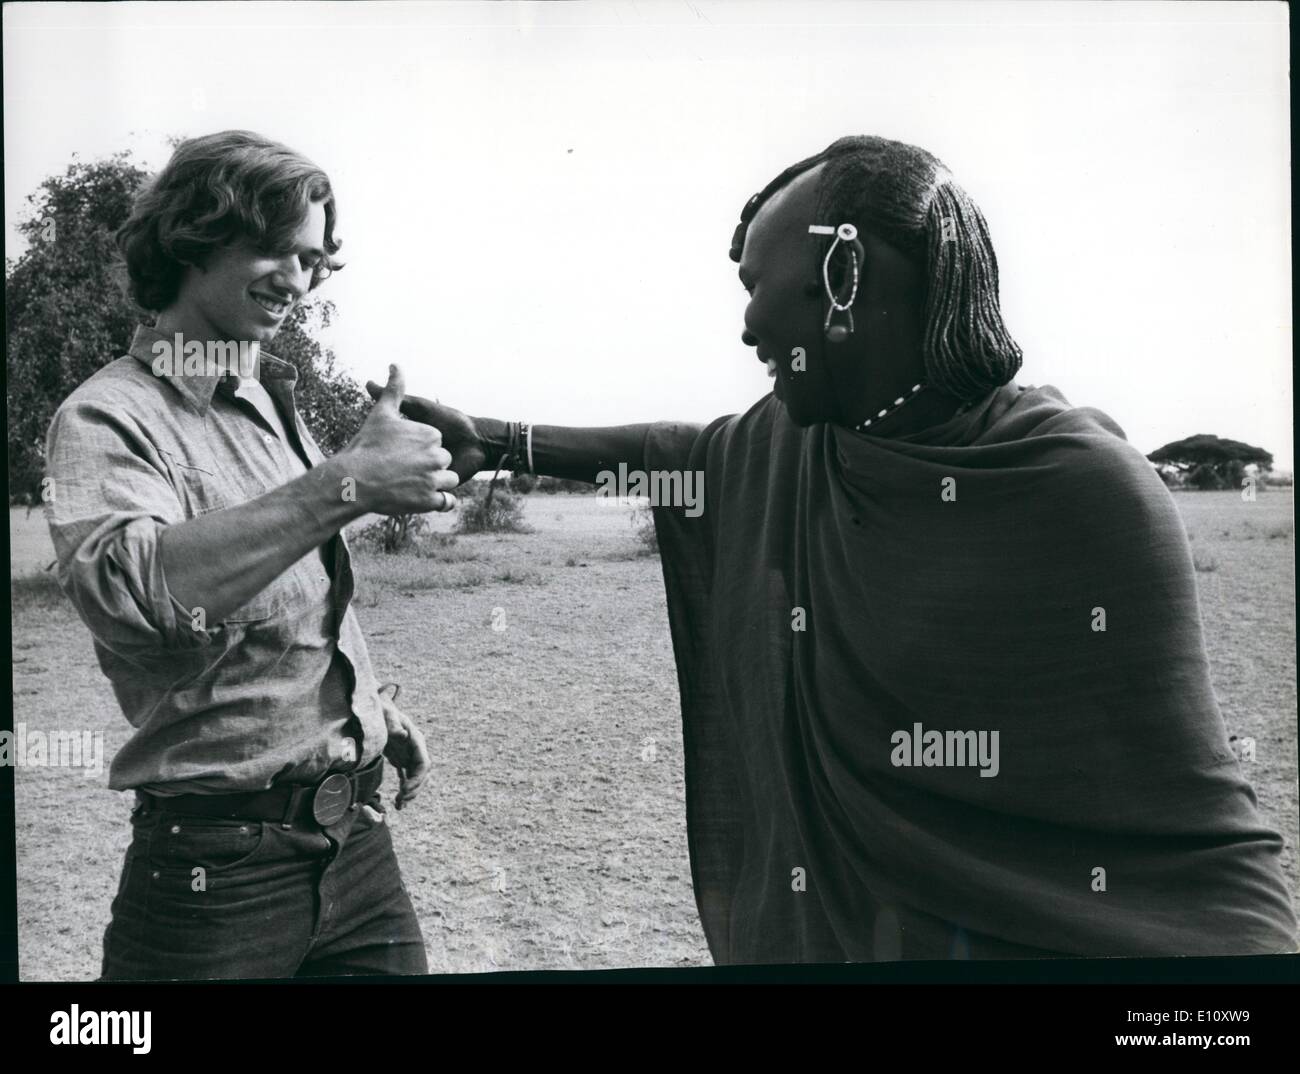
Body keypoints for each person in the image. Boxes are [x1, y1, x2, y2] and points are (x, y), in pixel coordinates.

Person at [372, 134, 1298, 962]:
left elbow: (1184, 818)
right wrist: (496, 440)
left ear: (844, 276)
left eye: (753, 288)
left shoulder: (1081, 487)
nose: (744, 328)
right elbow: (673, 454)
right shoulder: (802, 441)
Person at [44, 130, 458, 979]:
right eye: (276, 250)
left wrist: (362, 714)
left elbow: (291, 597)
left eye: (314, 261)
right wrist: (346, 482)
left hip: (356, 848)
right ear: (195, 236)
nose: (299, 282)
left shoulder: (269, 403)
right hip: (213, 877)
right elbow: (140, 601)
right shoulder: (104, 417)